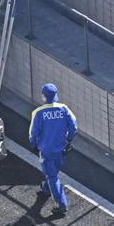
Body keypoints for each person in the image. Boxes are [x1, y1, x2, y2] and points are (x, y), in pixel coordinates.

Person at [29, 83, 77, 215]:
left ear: (44, 96)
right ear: (55, 95)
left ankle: (62, 205)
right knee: (53, 171)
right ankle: (46, 189)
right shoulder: (64, 109)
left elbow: (33, 133)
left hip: (46, 150)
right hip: (61, 149)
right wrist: (68, 140)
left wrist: (33, 145)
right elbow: (73, 127)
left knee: (52, 176)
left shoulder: (38, 113)